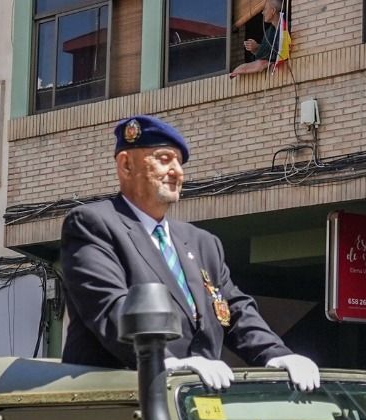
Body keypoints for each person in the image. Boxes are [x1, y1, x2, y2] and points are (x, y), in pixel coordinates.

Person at [60, 115, 319, 392]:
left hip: (192, 407)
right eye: (164, 158)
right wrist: (164, 363)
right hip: (122, 409)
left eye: (179, 162)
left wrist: (277, 354)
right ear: (126, 165)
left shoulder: (202, 242)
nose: (177, 171)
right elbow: (110, 309)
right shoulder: (93, 224)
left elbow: (233, 311)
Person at [231, 0, 286, 76]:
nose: (262, 12)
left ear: (273, 11)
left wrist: (258, 47)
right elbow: (264, 54)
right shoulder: (268, 32)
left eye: (265, 9)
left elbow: (278, 51)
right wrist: (255, 49)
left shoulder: (285, 29)